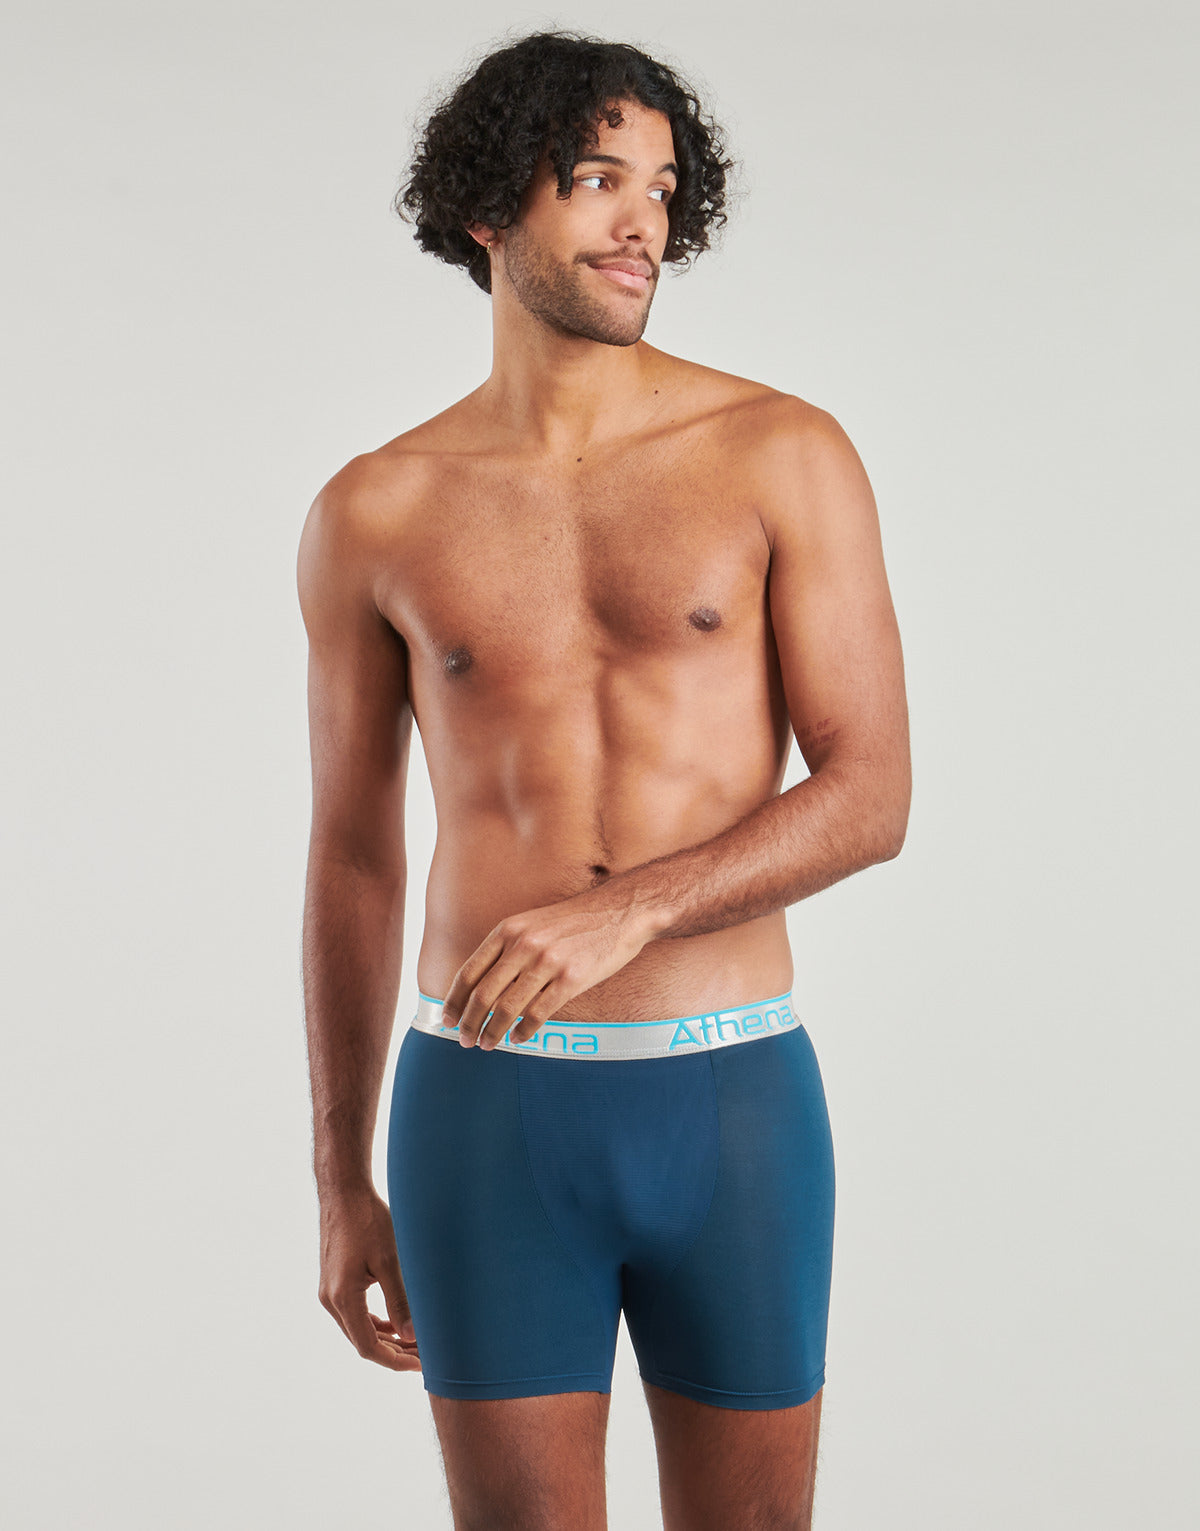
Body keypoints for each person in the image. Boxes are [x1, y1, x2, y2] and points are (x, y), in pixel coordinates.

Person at [296, 28, 910, 1531]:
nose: (644, 223)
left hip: (732, 1104)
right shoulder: (375, 510)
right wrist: (338, 1176)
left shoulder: (780, 453)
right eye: (595, 180)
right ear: (486, 209)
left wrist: (628, 909)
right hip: (482, 1112)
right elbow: (354, 857)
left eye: (663, 188)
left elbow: (872, 790)